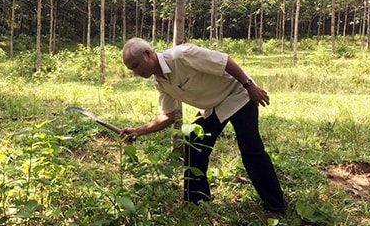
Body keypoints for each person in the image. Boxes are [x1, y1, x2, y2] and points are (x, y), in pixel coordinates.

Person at [120, 37, 287, 213]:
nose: (135, 73)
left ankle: (276, 205)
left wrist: (249, 85)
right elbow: (168, 116)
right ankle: (196, 201)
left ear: (148, 54)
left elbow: (224, 61)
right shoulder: (160, 82)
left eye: (136, 66)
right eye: (131, 69)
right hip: (213, 106)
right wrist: (137, 131)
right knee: (193, 144)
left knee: (251, 150)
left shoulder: (181, 56)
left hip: (238, 94)